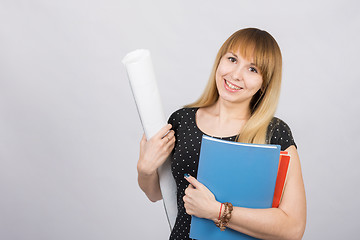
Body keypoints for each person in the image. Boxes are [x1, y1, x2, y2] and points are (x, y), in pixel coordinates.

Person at [137, 28, 306, 240]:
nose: (235, 75)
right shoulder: (182, 121)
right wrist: (144, 169)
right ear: (220, 61)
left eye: (252, 69)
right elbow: (156, 193)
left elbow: (293, 228)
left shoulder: (275, 133)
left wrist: (217, 211)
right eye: (232, 59)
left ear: (265, 83)